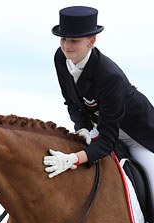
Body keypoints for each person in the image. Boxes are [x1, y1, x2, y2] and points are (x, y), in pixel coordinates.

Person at [43, 6, 154, 202]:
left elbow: (107, 141)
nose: (67, 45)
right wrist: (83, 128)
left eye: (74, 40)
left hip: (140, 136)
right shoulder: (61, 58)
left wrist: (73, 159)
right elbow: (72, 103)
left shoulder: (110, 76)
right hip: (102, 126)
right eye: (63, 39)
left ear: (91, 42)